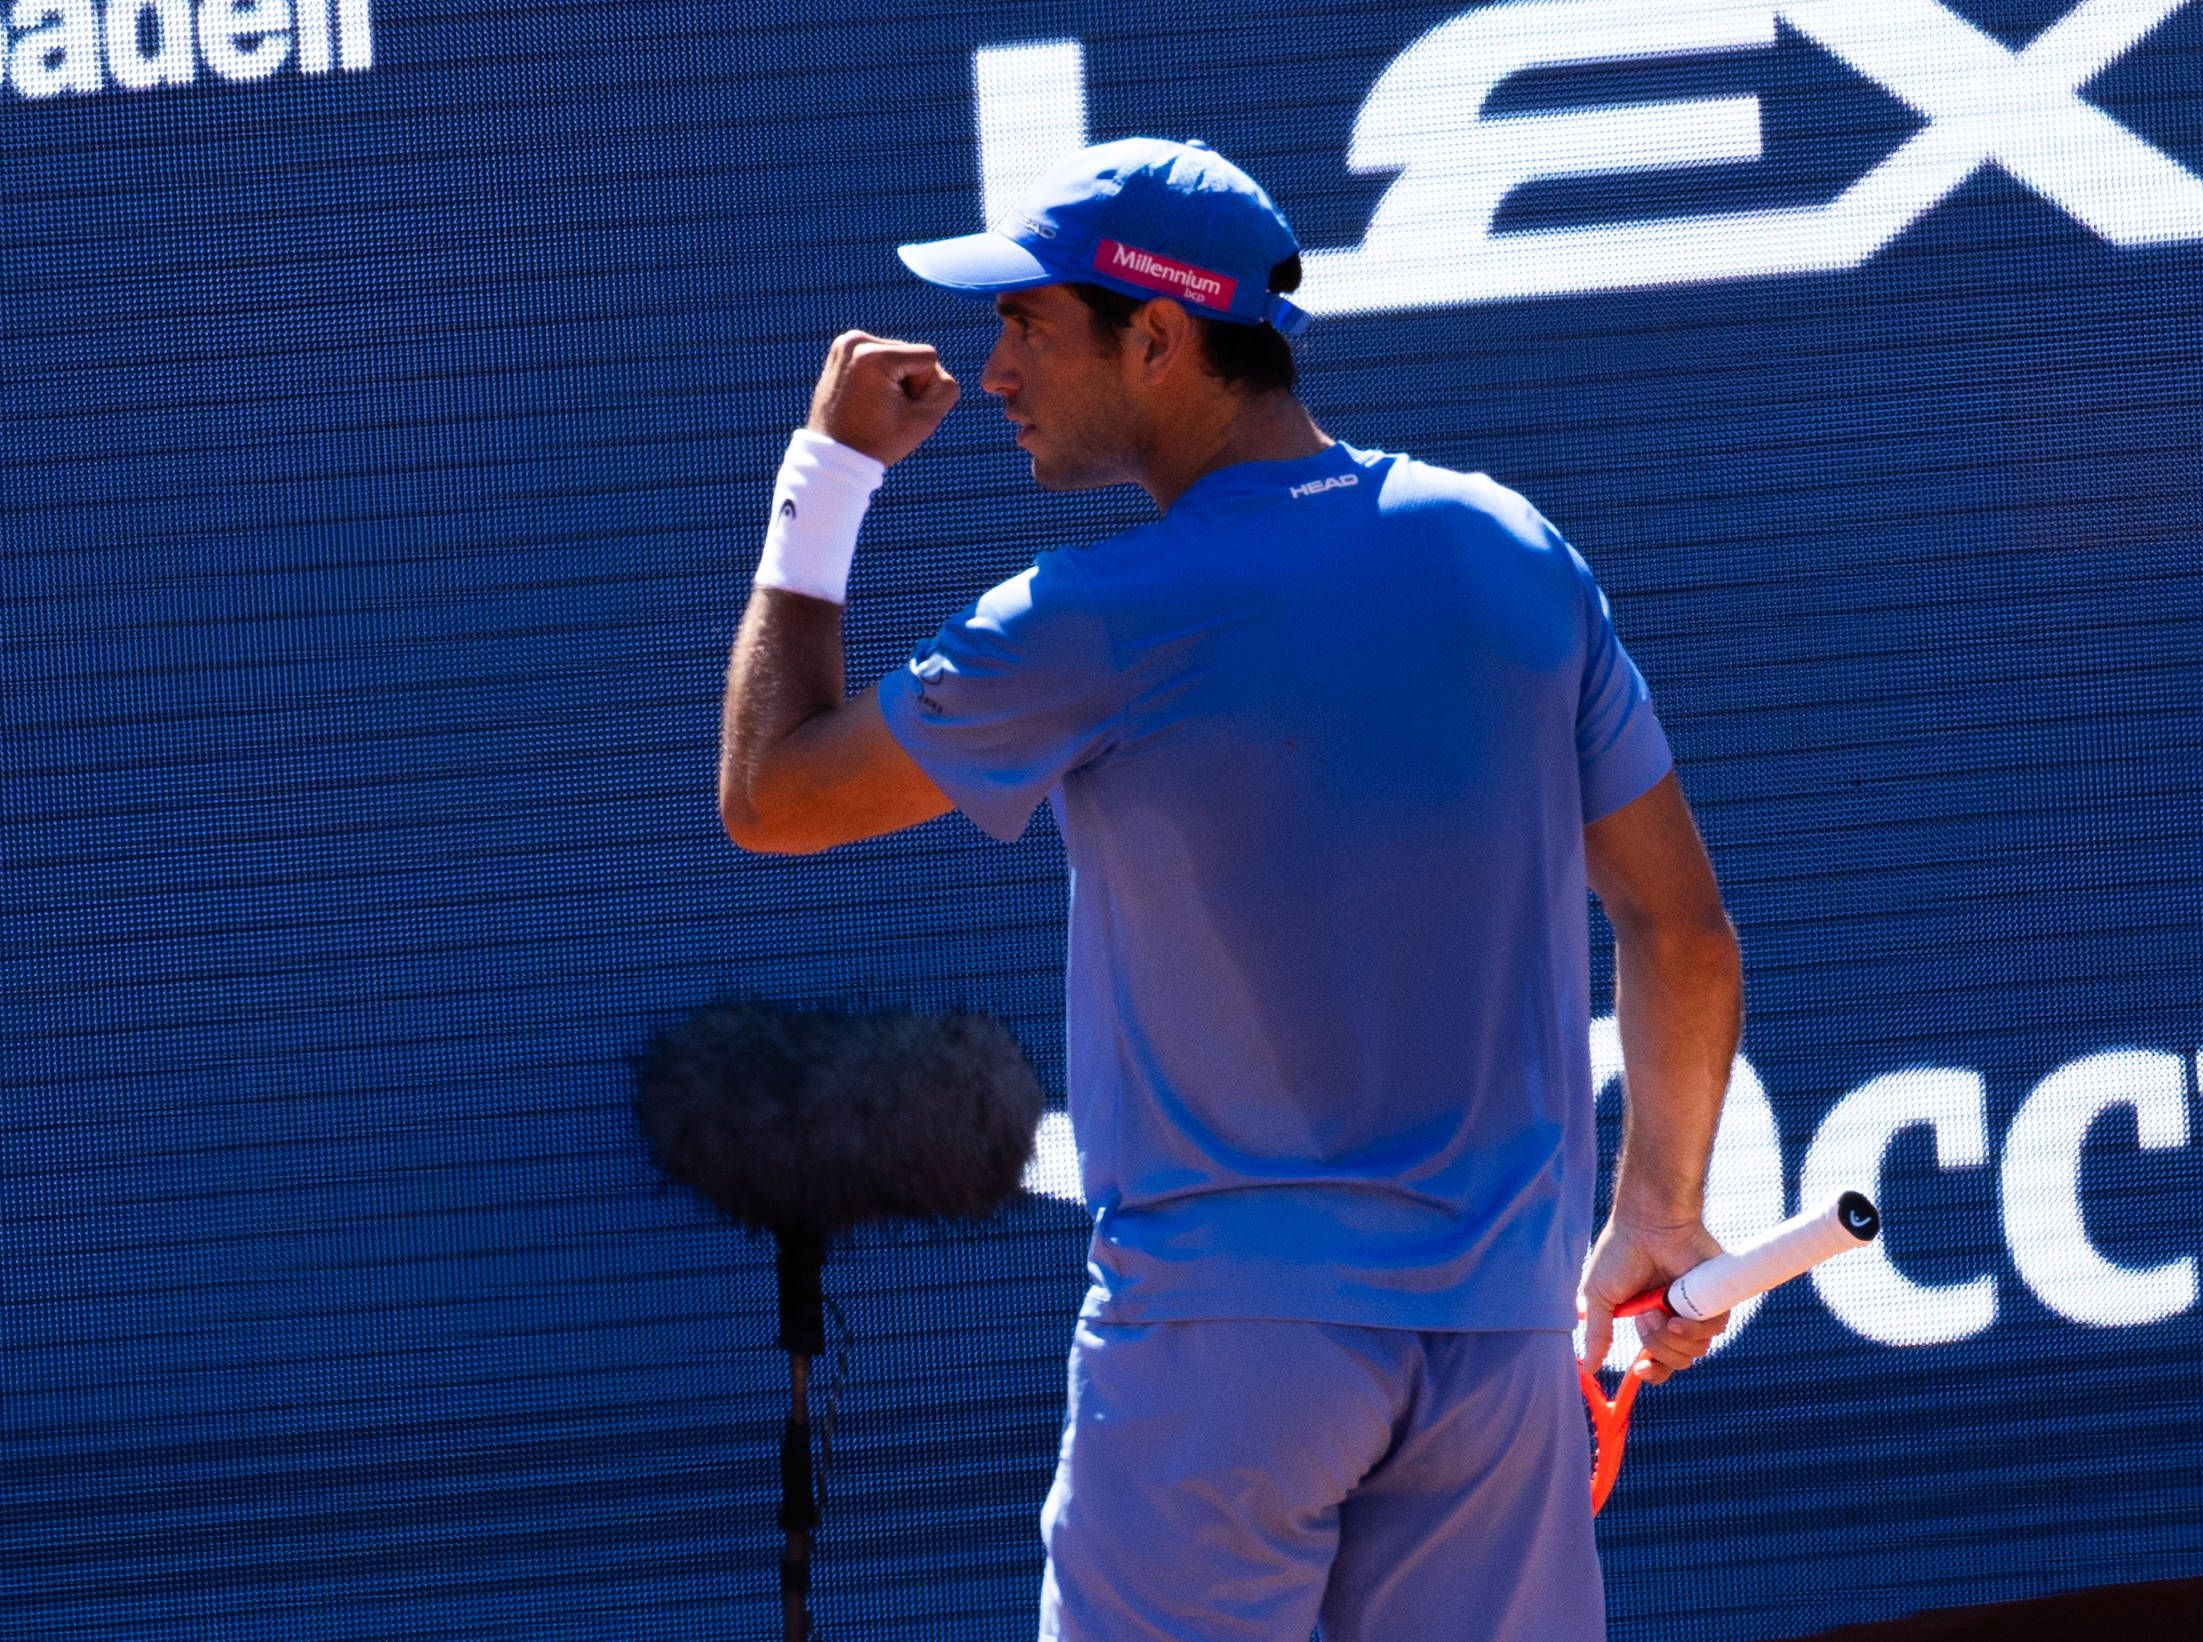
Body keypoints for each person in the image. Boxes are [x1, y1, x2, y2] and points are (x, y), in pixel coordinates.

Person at [716, 137, 1744, 1642]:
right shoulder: (1512, 553)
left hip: (1223, 1363)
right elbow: (1681, 925)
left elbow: (772, 793)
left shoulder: (1091, 617)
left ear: (1159, 337)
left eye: (1029, 326)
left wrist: (832, 474)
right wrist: (1662, 1203)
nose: (996, 369)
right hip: (1492, 1358)